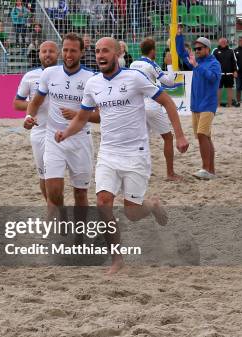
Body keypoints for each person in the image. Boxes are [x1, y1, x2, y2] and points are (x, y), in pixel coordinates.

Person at [56, 37, 189, 274]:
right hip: (108, 153)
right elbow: (83, 117)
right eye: (97, 51)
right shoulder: (93, 84)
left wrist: (179, 136)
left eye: (105, 50)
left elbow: (168, 102)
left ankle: (153, 205)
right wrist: (66, 133)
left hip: (135, 153)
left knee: (132, 212)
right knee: (103, 203)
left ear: (117, 54)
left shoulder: (135, 78)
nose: (100, 55)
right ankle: (117, 259)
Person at [24, 33, 96, 220]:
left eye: (73, 50)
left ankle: (79, 237)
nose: (69, 54)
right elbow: (35, 102)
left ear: (82, 52)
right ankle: (62, 216)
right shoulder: (49, 74)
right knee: (54, 192)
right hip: (53, 138)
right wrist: (29, 116)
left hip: (80, 140)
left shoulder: (92, 78)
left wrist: (80, 115)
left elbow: (101, 115)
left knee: (80, 194)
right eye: (65, 50)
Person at [130, 37, 182, 181]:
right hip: (151, 104)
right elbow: (170, 82)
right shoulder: (151, 65)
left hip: (137, 105)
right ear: (152, 51)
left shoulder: (133, 63)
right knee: (168, 138)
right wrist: (170, 65)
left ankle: (140, 172)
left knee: (142, 140)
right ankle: (170, 173)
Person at [13, 41, 59, 201]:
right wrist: (36, 104)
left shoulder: (65, 74)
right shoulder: (30, 76)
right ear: (39, 54)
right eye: (44, 51)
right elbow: (17, 103)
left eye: (51, 51)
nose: (47, 54)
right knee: (44, 175)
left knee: (61, 176)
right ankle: (51, 208)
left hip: (64, 132)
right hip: (40, 131)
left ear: (58, 54)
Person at [176, 30, 221, 180]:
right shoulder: (197, 62)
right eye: (195, 49)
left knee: (202, 135)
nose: (197, 51)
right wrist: (179, 37)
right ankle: (212, 170)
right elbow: (182, 53)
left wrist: (197, 66)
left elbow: (213, 78)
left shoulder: (214, 63)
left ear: (207, 48)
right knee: (205, 137)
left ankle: (206, 168)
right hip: (196, 105)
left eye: (199, 48)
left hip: (208, 105)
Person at [212, 37, 239, 108]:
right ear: (219, 43)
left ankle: (229, 105)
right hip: (219, 74)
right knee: (218, 89)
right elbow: (212, 62)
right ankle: (218, 105)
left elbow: (234, 62)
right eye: (221, 42)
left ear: (227, 43)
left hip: (229, 74)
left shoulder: (231, 51)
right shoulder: (215, 51)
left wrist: (235, 71)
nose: (223, 43)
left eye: (224, 42)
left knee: (230, 89)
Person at [235, 35, 242, 106]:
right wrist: (234, 71)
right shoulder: (235, 50)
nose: (241, 42)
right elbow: (233, 62)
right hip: (238, 73)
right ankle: (238, 102)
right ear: (238, 42)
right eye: (240, 41)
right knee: (238, 87)